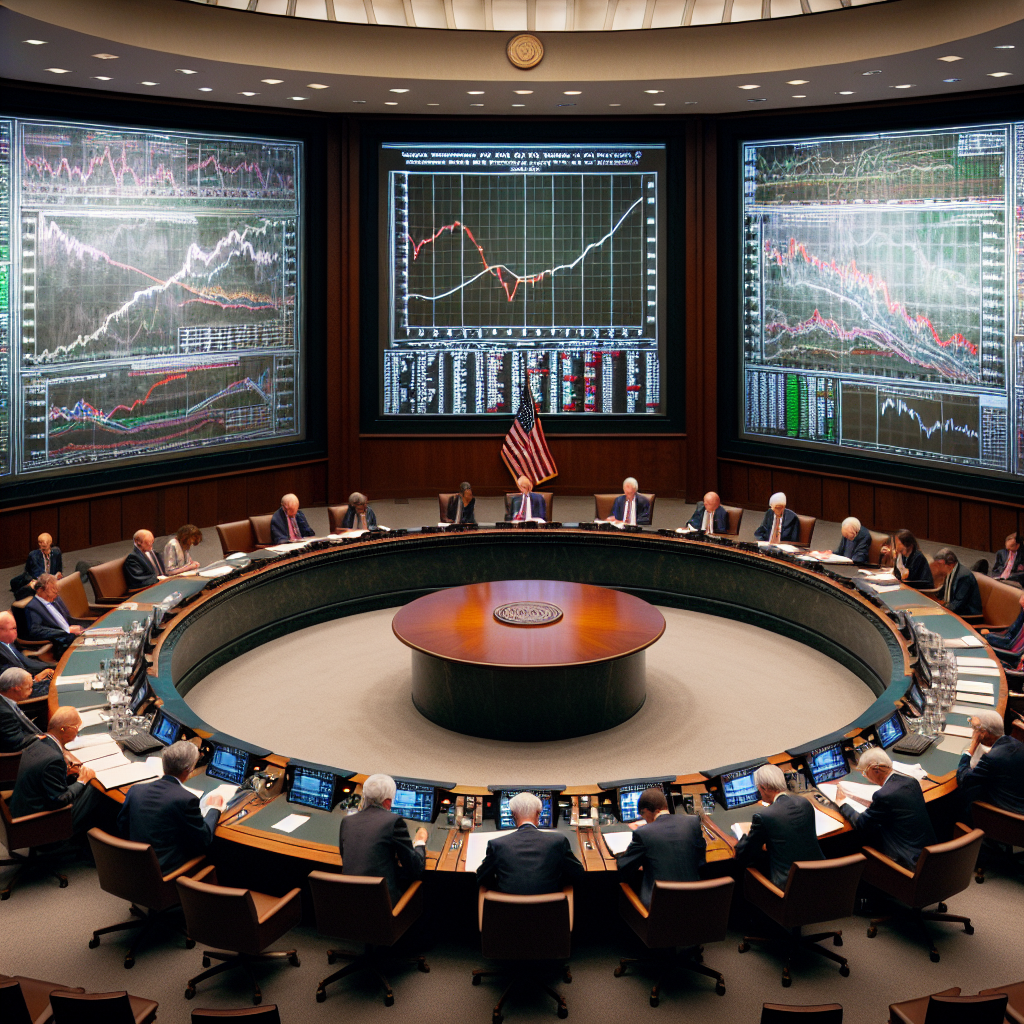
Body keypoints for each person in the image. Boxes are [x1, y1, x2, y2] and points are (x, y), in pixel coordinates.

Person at [118, 739, 226, 872]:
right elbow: (203, 840)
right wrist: (214, 809)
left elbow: (122, 825)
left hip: (134, 863)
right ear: (189, 770)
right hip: (164, 872)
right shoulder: (186, 800)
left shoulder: (135, 790)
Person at [837, 748, 936, 869]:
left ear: (875, 770)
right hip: (931, 856)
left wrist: (842, 803)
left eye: (864, 772)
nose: (866, 777)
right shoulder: (911, 781)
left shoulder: (883, 795)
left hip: (907, 864)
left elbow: (861, 824)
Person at [339, 773, 427, 905]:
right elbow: (415, 869)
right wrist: (420, 841)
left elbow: (345, 855)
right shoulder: (394, 821)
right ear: (388, 801)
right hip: (382, 909)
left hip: (349, 905)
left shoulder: (347, 822)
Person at [9, 706, 100, 832]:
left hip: (23, 808)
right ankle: (75, 840)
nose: (77, 733)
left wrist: (64, 772)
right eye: (76, 729)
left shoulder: (38, 742)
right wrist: (82, 780)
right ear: (64, 729)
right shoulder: (53, 759)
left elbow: (44, 776)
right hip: (37, 823)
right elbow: (60, 800)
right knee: (94, 788)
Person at [476, 791, 584, 895]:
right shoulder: (558, 841)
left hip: (508, 911)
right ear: (538, 814)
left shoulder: (497, 844)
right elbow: (578, 873)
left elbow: (481, 877)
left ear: (513, 815)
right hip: (550, 910)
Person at [733, 764, 824, 888]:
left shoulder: (764, 816)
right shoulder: (804, 803)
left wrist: (744, 835)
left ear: (763, 788)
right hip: (822, 876)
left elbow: (745, 854)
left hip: (788, 887)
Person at [613, 787, 706, 907]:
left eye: (642, 814)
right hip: (695, 902)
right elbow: (701, 860)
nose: (644, 819)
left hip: (659, 908)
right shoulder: (692, 822)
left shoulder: (643, 833)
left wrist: (621, 855)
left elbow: (624, 867)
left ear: (646, 810)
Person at [955, 710, 1024, 817]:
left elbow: (963, 779)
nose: (973, 732)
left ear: (984, 733)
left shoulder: (991, 758)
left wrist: (971, 747)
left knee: (959, 797)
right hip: (1018, 802)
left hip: (1008, 819)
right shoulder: (1016, 743)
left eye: (975, 729)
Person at [24, 574, 87, 655]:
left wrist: (87, 626)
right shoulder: (32, 607)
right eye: (52, 590)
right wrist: (66, 631)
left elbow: (68, 618)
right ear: (40, 590)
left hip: (74, 636)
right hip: (62, 644)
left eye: (56, 590)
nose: (55, 594)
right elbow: (36, 630)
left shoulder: (55, 598)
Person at [0, 611, 53, 695]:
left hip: (33, 677)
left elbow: (25, 662)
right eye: (12, 629)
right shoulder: (1, 655)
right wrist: (35, 679)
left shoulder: (8, 642)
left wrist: (49, 668)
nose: (15, 632)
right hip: (26, 689)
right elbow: (10, 685)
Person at [0, 668, 45, 752]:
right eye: (29, 687)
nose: (31, 690)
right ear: (16, 688)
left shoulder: (5, 701)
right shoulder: (5, 713)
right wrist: (38, 738)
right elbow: (15, 742)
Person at [930, 548, 982, 617]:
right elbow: (941, 595)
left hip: (967, 616)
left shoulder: (964, 576)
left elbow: (957, 605)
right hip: (953, 611)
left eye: (940, 565)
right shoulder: (948, 572)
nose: (938, 568)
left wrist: (937, 609)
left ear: (950, 565)